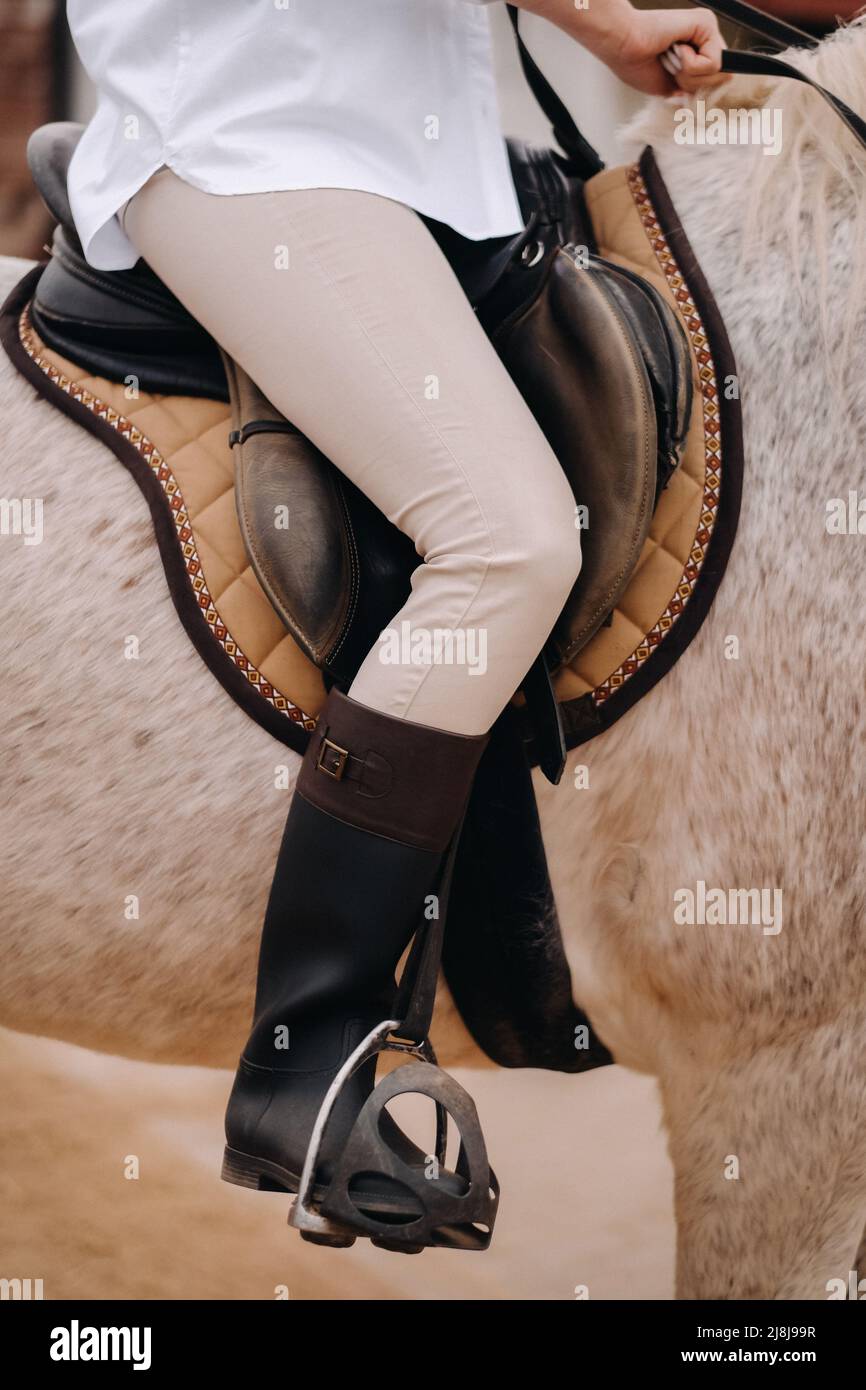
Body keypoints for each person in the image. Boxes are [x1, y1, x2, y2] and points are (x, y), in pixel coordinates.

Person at [65, 0, 726, 1247]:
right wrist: (607, 24)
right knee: (507, 538)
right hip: (250, 141)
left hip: (417, 162)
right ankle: (301, 1057)